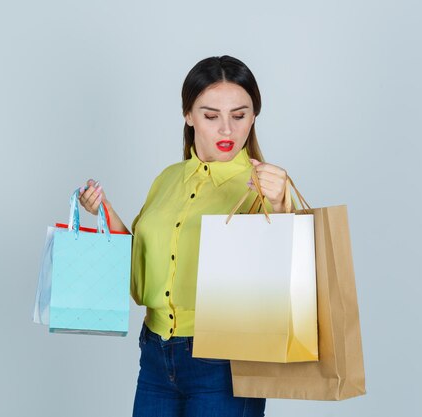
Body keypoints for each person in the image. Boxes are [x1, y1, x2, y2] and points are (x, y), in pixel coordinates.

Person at [79, 56, 289, 417]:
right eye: (210, 116)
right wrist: (106, 214)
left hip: (224, 360)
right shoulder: (167, 179)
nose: (226, 129)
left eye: (239, 116)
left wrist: (282, 204)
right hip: (156, 354)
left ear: (254, 116)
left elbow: (284, 275)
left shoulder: (263, 188)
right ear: (188, 115)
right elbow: (142, 273)